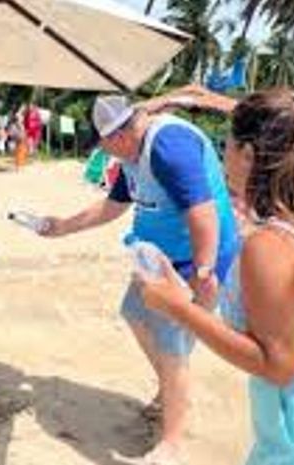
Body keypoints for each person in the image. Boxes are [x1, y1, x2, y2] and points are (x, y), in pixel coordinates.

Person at [137, 90, 294, 465]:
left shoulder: (270, 244)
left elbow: (280, 365)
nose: (221, 155)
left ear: (247, 155)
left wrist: (178, 308)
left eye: (226, 144)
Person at [40, 95, 239, 464]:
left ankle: (172, 443)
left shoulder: (168, 147)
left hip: (195, 257)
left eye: (104, 145)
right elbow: (112, 206)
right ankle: (170, 387)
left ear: (119, 136)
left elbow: (203, 215)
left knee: (171, 344)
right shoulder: (130, 154)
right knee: (134, 312)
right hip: (156, 253)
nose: (106, 153)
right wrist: (62, 227)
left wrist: (204, 273)